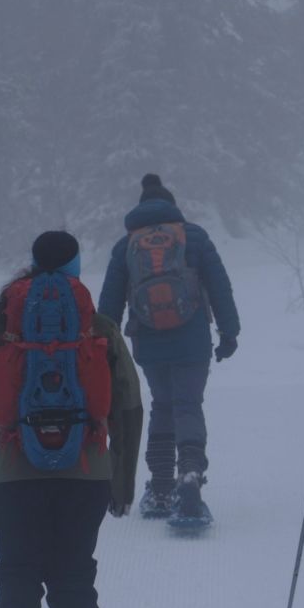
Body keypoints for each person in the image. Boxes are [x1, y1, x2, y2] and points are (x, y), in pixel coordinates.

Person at [0, 230, 143, 608]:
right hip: (84, 475)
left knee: (17, 568)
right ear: (75, 266)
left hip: (12, 472)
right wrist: (121, 482)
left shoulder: (4, 328)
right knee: (73, 577)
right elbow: (128, 406)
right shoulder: (100, 327)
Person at [98, 173, 240, 526]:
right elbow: (221, 287)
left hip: (149, 341)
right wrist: (229, 333)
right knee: (188, 404)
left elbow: (109, 303)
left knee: (162, 404)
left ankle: (160, 487)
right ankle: (189, 475)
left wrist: (103, 347)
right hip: (192, 340)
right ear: (172, 206)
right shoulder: (193, 237)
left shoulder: (126, 245)